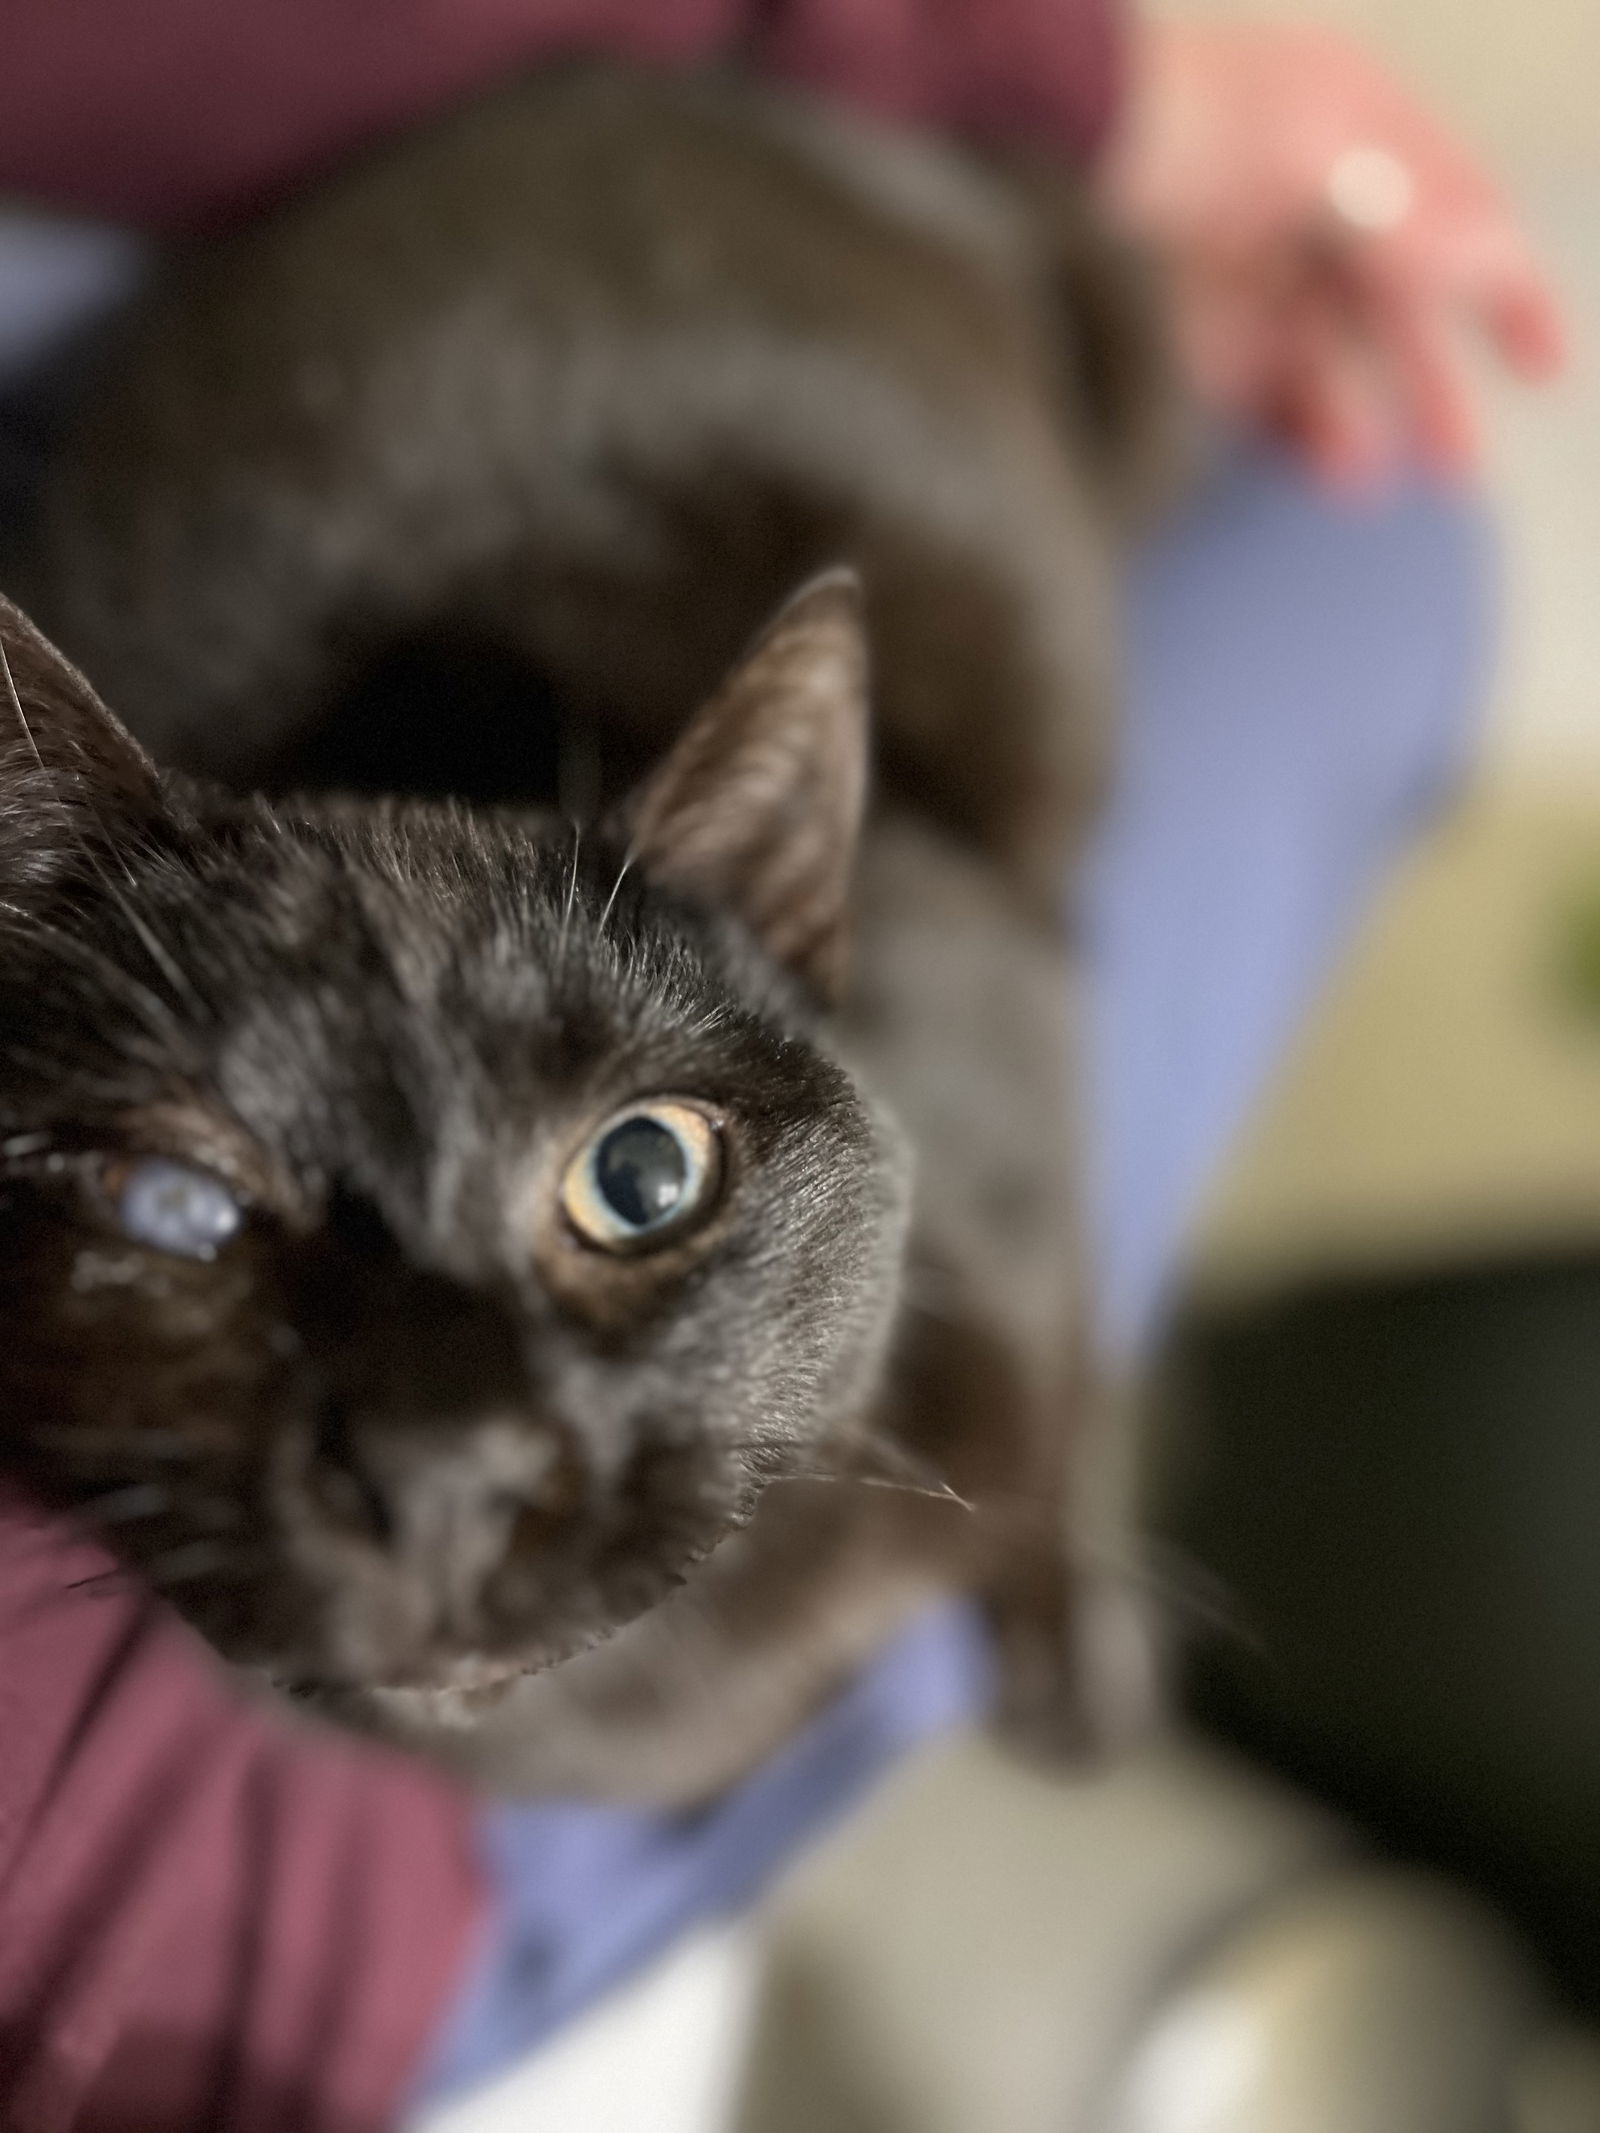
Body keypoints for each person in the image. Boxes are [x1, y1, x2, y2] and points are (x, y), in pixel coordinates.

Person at [0, 6, 1564, 2127]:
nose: (449, 1447)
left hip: (768, 357)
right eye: (184, 1203)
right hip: (215, 1867)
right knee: (1374, 553)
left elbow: (941, 1016)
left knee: (1352, 505)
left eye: (624, 1185)